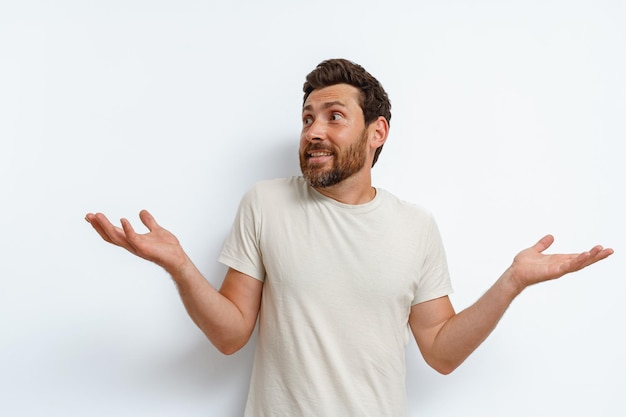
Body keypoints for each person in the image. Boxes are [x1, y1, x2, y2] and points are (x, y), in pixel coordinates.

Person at [85, 58, 613, 417]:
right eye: (307, 117)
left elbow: (441, 351)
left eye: (335, 117)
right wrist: (180, 266)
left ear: (376, 132)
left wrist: (512, 281)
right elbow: (230, 334)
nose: (314, 130)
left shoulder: (415, 226)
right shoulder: (265, 203)